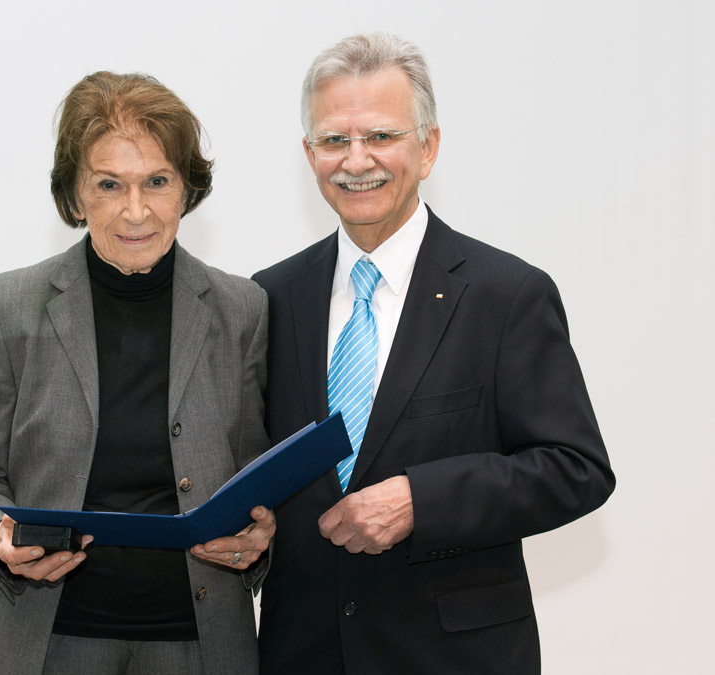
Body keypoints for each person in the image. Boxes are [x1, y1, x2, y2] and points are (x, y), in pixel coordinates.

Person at [252, 33, 615, 674]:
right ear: (309, 154)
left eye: (382, 137)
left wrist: (422, 499)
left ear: (430, 147)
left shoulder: (506, 294)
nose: (356, 160)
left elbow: (574, 469)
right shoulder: (266, 298)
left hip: (457, 658)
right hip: (302, 655)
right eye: (335, 140)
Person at [0, 71, 274, 675]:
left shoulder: (242, 310)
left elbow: (256, 486)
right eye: (108, 184)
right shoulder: (9, 307)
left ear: (186, 190)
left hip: (200, 644)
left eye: (157, 180)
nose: (136, 209)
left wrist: (260, 539)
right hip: (51, 640)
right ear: (74, 197)